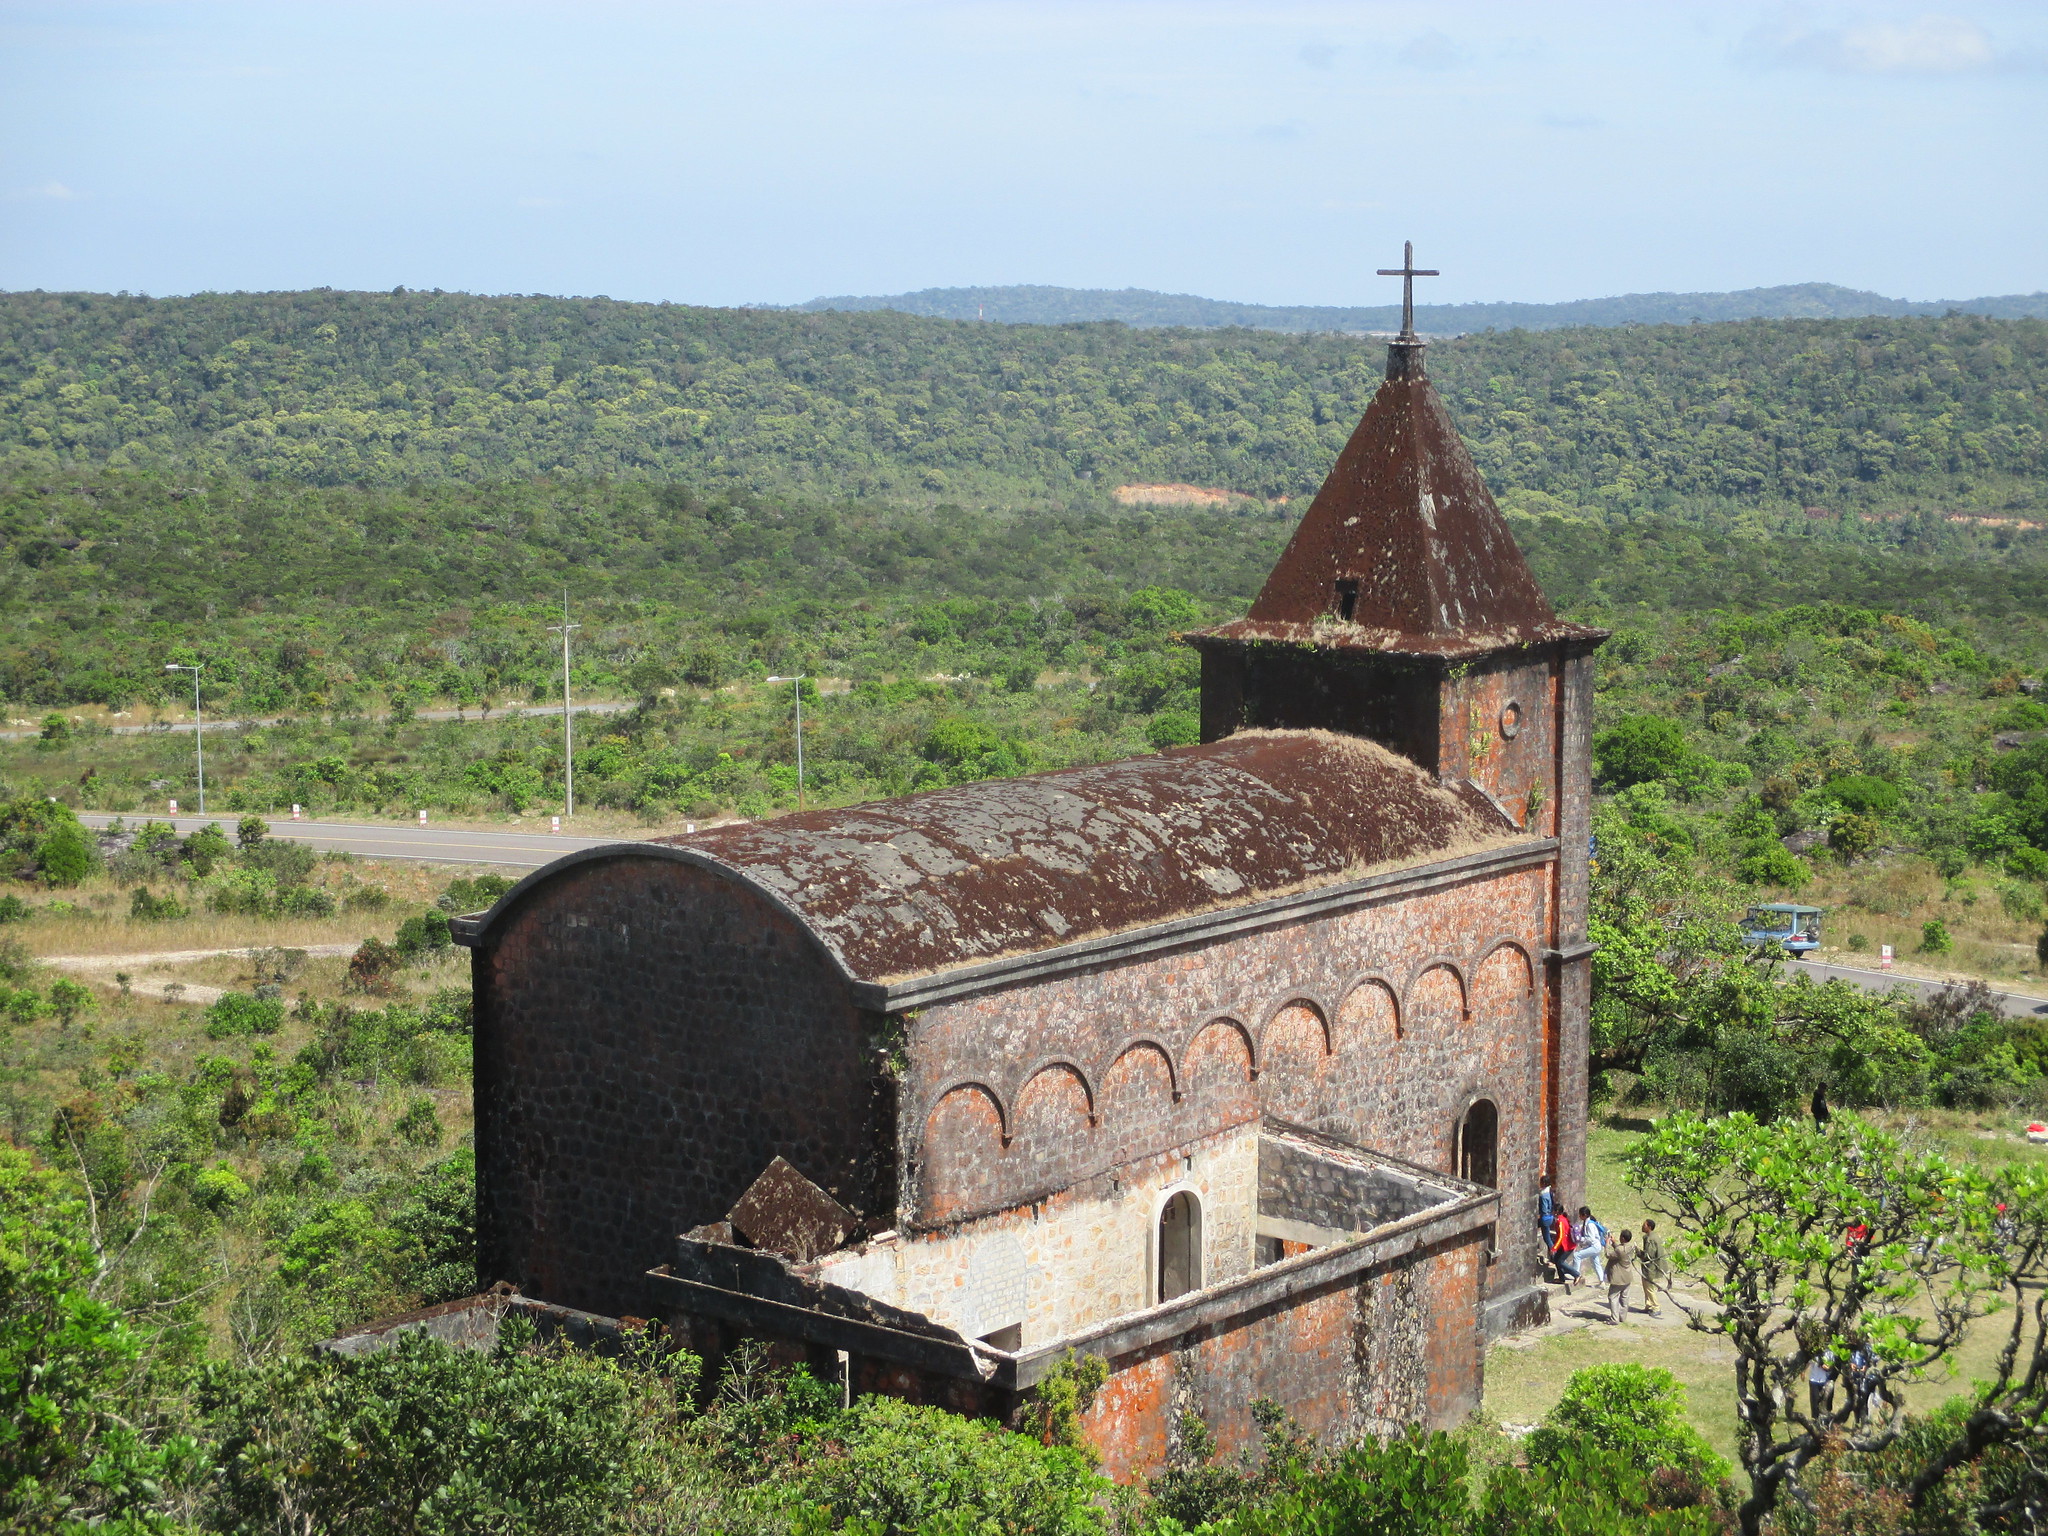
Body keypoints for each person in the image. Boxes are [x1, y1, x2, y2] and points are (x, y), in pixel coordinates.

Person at [1603, 1228, 1638, 1325]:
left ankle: (1614, 1319)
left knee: (1612, 1297)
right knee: (1624, 1297)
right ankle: (1622, 1316)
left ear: (1622, 1238)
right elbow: (1620, 1250)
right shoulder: (1631, 1247)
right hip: (1627, 1276)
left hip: (1618, 1277)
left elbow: (1608, 1254)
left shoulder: (1619, 1250)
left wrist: (1606, 1244)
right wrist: (1614, 1243)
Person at [1638, 1217, 1671, 1316]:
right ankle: (1649, 1305)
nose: (1642, 1226)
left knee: (1649, 1288)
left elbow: (1649, 1255)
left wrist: (1638, 1252)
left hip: (1650, 1268)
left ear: (1649, 1227)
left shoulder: (1651, 1239)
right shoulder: (1651, 1237)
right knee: (1646, 1286)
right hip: (1649, 1267)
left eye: (1644, 1225)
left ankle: (1656, 1307)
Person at [1575, 1205, 1607, 1286]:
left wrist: (1581, 1239)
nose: (1579, 1216)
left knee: (1577, 1255)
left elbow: (1591, 1238)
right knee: (1596, 1263)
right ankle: (1602, 1281)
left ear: (1585, 1215)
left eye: (1580, 1215)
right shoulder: (1587, 1223)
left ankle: (1576, 1275)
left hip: (1594, 1246)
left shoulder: (1589, 1225)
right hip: (1595, 1246)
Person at [1550, 1207, 1579, 1290]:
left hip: (1567, 1245)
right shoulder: (1563, 1219)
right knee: (1556, 1259)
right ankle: (1561, 1278)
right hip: (1564, 1245)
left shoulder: (1560, 1221)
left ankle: (1576, 1274)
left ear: (1557, 1211)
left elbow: (1561, 1236)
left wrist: (1554, 1248)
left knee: (1560, 1261)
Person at [1538, 1174, 1557, 1241]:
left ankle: (1553, 1250)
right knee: (1547, 1236)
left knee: (1547, 1239)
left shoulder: (1543, 1195)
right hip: (1550, 1217)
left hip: (1545, 1218)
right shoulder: (1550, 1192)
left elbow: (1544, 1209)